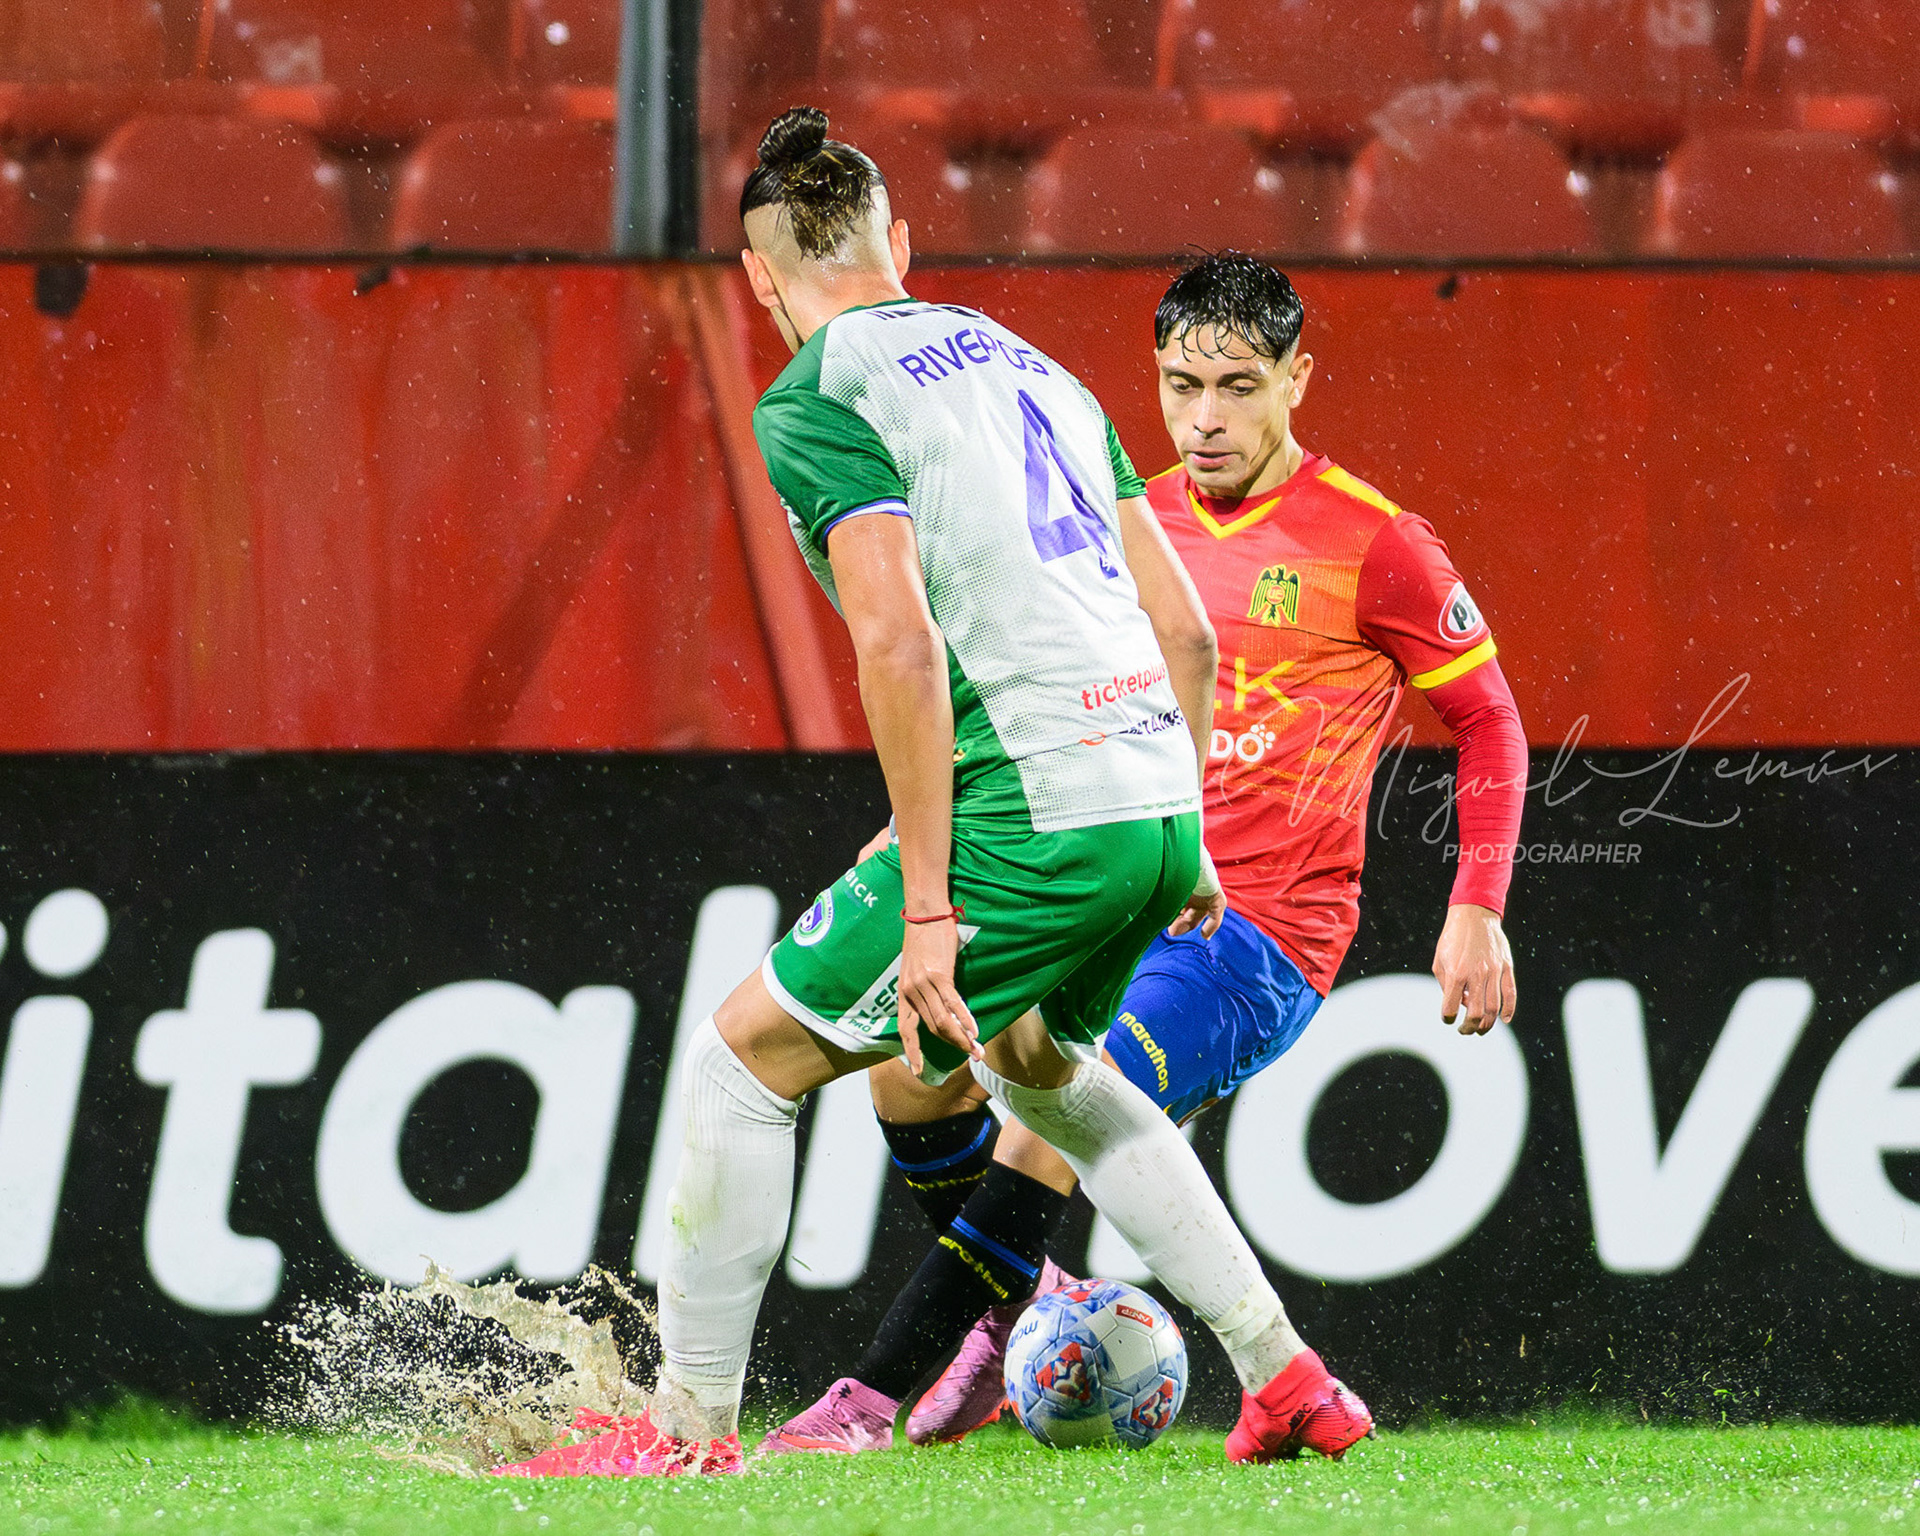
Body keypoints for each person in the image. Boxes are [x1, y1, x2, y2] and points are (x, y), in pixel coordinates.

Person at [497, 116, 1358, 1478]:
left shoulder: (817, 397)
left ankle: (683, 1436)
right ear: (903, 247)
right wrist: (1184, 832)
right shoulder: (1044, 370)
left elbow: (899, 641)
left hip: (1036, 800)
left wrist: (928, 912)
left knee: (741, 1062)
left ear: (756, 281)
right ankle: (1286, 1375)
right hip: (1146, 797)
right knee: (1047, 1075)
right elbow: (1185, 631)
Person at [759, 253, 1528, 1461]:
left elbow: (1487, 716)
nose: (1205, 418)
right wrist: (925, 837)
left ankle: (871, 1396)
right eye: (1180, 387)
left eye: (1237, 386)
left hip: (1255, 932)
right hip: (1104, 879)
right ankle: (1112, 1338)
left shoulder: (1378, 545)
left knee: (1050, 1107)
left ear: (1297, 380)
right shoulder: (1124, 517)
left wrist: (1476, 903)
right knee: (908, 1076)